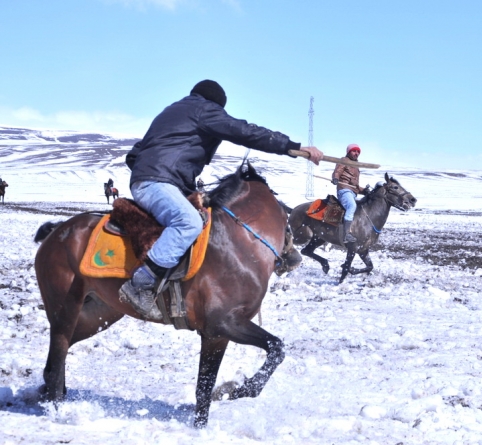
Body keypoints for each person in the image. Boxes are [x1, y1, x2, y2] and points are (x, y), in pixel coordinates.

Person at [120, 79, 323, 318]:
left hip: (159, 180)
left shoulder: (172, 111)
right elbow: (244, 131)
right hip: (158, 182)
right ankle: (140, 283)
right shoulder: (204, 109)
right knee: (189, 222)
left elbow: (134, 155)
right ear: (217, 104)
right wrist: (292, 147)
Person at [331, 143, 364, 243]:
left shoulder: (356, 166)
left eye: (358, 152)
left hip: (353, 191)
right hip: (344, 189)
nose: (356, 153)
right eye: (354, 151)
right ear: (349, 152)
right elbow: (337, 171)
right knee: (352, 206)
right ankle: (346, 235)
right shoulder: (344, 160)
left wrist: (364, 191)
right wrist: (336, 178)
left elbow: (355, 185)